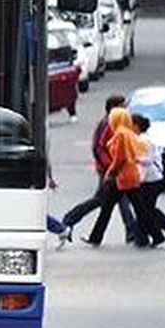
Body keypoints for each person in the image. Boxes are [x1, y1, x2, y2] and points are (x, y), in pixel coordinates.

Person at [61, 96, 141, 241]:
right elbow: (98, 148)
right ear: (114, 107)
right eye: (123, 106)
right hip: (110, 169)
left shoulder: (116, 123)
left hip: (116, 169)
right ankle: (69, 219)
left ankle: (130, 231)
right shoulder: (107, 124)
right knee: (101, 200)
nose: (126, 109)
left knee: (120, 201)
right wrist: (110, 168)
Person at [83, 108, 161, 247]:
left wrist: (110, 173)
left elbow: (120, 158)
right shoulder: (128, 133)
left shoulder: (120, 135)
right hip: (129, 175)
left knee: (109, 209)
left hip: (122, 177)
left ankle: (96, 237)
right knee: (137, 209)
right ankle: (156, 235)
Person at [132, 113, 165, 245]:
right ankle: (163, 231)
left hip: (151, 180)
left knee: (145, 210)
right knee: (147, 209)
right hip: (150, 179)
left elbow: (147, 160)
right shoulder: (143, 139)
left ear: (137, 126)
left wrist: (133, 158)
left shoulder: (144, 141)